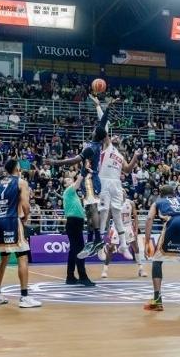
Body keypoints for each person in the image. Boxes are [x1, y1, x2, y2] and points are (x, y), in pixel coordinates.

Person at [47, 99, 116, 258]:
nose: (93, 129)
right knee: (89, 210)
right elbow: (103, 121)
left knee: (92, 209)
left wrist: (55, 162)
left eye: (94, 129)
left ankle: (98, 239)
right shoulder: (96, 143)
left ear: (95, 134)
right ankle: (92, 240)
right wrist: (106, 107)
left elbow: (74, 161)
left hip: (90, 178)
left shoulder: (91, 147)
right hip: (90, 178)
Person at [91, 95, 141, 260]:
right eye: (115, 136)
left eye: (119, 137)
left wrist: (135, 157)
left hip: (116, 183)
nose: (117, 137)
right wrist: (102, 106)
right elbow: (103, 125)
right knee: (104, 213)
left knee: (117, 213)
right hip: (104, 180)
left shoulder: (120, 155)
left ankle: (123, 245)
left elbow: (127, 170)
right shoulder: (107, 145)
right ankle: (101, 245)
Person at [0, 159, 41, 308]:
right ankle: (24, 297)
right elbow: (25, 204)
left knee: (3, 259)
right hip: (13, 221)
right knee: (22, 258)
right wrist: (25, 217)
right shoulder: (21, 182)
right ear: (17, 168)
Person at [143, 185, 180, 311]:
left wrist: (147, 241)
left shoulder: (158, 202)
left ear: (160, 194)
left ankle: (157, 299)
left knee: (157, 261)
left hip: (175, 221)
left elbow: (149, 218)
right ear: (174, 193)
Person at [101, 194, 147, 279]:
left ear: (125, 194)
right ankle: (105, 270)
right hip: (116, 226)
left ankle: (141, 269)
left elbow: (135, 217)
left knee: (136, 247)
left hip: (128, 226)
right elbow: (108, 217)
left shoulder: (131, 203)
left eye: (124, 192)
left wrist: (136, 230)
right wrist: (108, 230)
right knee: (111, 248)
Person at [63, 173, 95, 287]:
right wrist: (83, 173)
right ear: (65, 184)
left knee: (73, 250)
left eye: (70, 179)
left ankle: (70, 277)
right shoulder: (68, 191)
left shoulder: (74, 195)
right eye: (68, 180)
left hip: (76, 222)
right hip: (73, 222)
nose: (70, 181)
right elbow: (77, 183)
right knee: (80, 250)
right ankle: (83, 277)